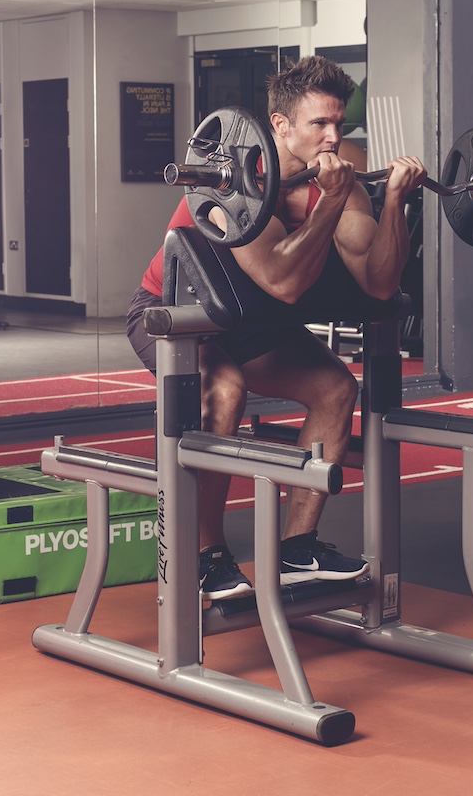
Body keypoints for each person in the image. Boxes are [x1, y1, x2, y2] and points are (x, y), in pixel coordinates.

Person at [127, 55, 426, 600]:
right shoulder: (231, 184)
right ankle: (206, 557)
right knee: (224, 391)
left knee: (336, 389)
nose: (334, 136)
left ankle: (297, 548)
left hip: (248, 320)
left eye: (340, 124)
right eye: (320, 124)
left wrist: (396, 206)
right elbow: (284, 281)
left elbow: (380, 283)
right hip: (176, 317)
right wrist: (331, 203)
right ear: (280, 126)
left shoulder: (338, 181)